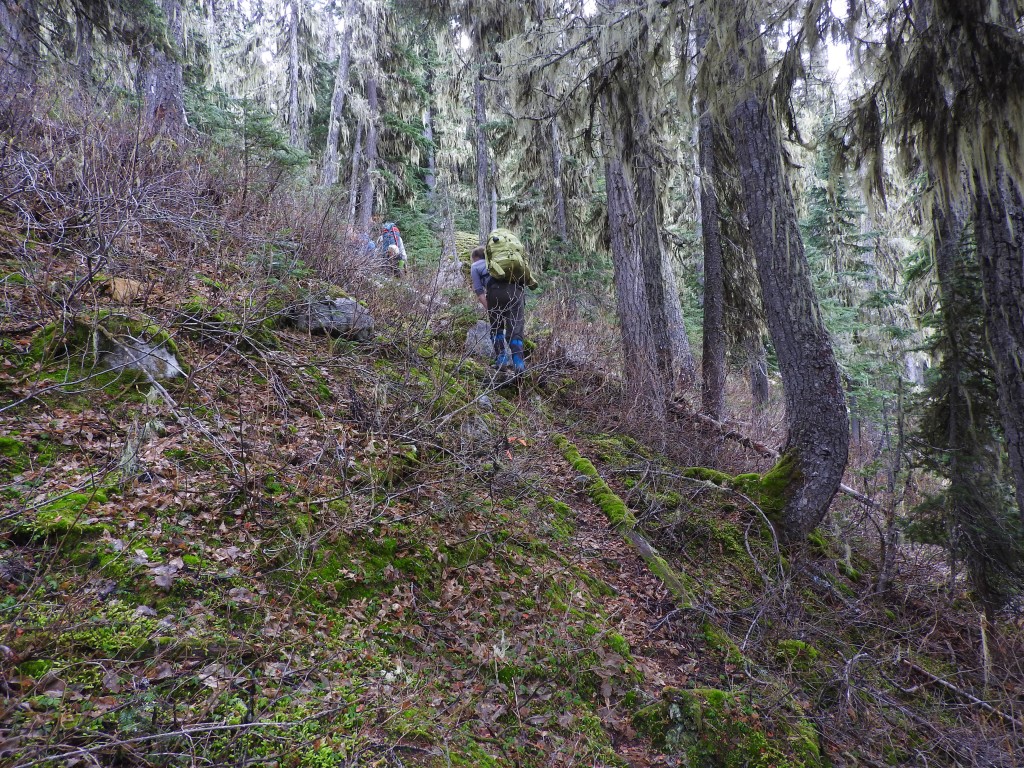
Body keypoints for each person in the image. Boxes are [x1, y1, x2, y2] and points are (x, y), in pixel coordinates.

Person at [484, 228, 538, 374]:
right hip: (516, 291)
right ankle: (518, 363)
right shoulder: (516, 253)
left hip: (495, 290)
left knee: (496, 326)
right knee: (516, 327)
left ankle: (501, 359)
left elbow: (488, 269)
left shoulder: (492, 249)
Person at [469, 246, 489, 311]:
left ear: (476, 257)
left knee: (497, 320)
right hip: (514, 291)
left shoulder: (475, 266)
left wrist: (490, 310)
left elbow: (479, 291)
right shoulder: (494, 261)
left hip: (495, 292)